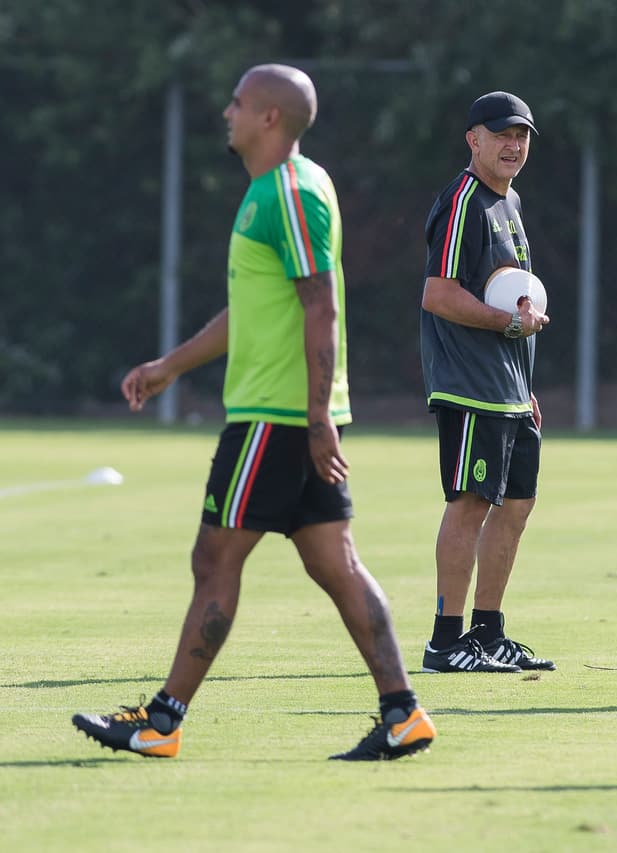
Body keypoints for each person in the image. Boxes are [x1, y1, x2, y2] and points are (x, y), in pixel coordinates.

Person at [72, 64, 435, 761]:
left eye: (238, 102)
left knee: (214, 559)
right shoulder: (274, 192)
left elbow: (320, 305)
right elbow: (253, 310)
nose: (227, 112)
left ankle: (163, 721)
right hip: (290, 417)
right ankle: (403, 713)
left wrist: (317, 413)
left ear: (270, 118)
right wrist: (168, 367)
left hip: (276, 419)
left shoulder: (290, 195)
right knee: (335, 563)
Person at [418, 92, 555, 674]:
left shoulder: (510, 202)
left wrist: (525, 388)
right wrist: (507, 322)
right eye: (502, 134)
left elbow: (511, 295)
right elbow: (439, 294)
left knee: (516, 506)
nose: (514, 145)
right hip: (469, 386)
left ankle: (488, 631)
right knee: (470, 503)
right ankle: (445, 642)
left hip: (508, 389)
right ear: (473, 139)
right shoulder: (463, 203)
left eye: (522, 135)